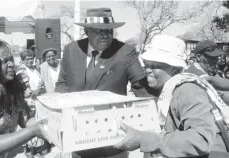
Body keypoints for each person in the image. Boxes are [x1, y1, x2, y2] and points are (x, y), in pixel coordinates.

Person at [55, 7, 154, 158]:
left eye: (109, 31)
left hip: (112, 143)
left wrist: (149, 135)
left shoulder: (126, 52)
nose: (105, 36)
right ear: (87, 31)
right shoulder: (71, 50)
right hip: (77, 140)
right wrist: (58, 118)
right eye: (99, 31)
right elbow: (62, 84)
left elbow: (142, 91)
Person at [114, 35, 229, 158]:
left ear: (174, 69)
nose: (147, 70)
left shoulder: (187, 91)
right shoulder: (167, 90)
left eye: (155, 65)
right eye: (146, 64)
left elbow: (201, 138)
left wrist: (147, 140)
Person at [16, 49, 50, 158]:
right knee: (30, 127)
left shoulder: (34, 70)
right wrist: (33, 92)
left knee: (40, 124)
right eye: (27, 59)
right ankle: (31, 152)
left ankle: (40, 151)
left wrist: (41, 90)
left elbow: (41, 84)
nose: (30, 60)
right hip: (28, 104)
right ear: (22, 60)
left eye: (31, 58)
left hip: (38, 102)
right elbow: (23, 90)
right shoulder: (21, 72)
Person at [186, 40, 229, 104]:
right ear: (198, 57)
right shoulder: (193, 72)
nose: (216, 61)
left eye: (217, 57)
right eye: (211, 58)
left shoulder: (210, 71)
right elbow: (211, 81)